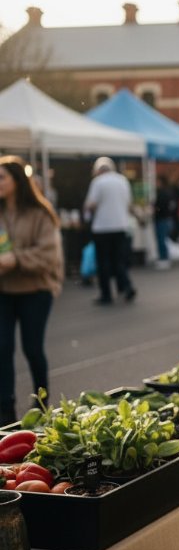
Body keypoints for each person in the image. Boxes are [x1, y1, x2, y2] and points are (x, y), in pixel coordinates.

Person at [0, 156, 63, 424]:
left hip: (35, 290)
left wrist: (15, 259)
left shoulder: (41, 212)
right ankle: (5, 409)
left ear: (17, 180)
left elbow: (48, 255)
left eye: (2, 177)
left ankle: (41, 403)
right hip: (3, 289)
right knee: (2, 349)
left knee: (32, 349)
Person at [84, 157, 136, 305]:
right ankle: (126, 286)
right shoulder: (122, 181)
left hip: (102, 228)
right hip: (121, 226)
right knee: (119, 260)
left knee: (103, 262)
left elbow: (91, 204)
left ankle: (106, 294)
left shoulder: (98, 182)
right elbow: (128, 204)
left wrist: (88, 214)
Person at [153, 175, 175, 270]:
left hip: (162, 219)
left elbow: (159, 207)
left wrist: (155, 209)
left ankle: (164, 259)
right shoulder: (168, 192)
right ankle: (164, 258)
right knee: (163, 239)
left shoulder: (162, 193)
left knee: (161, 240)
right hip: (166, 218)